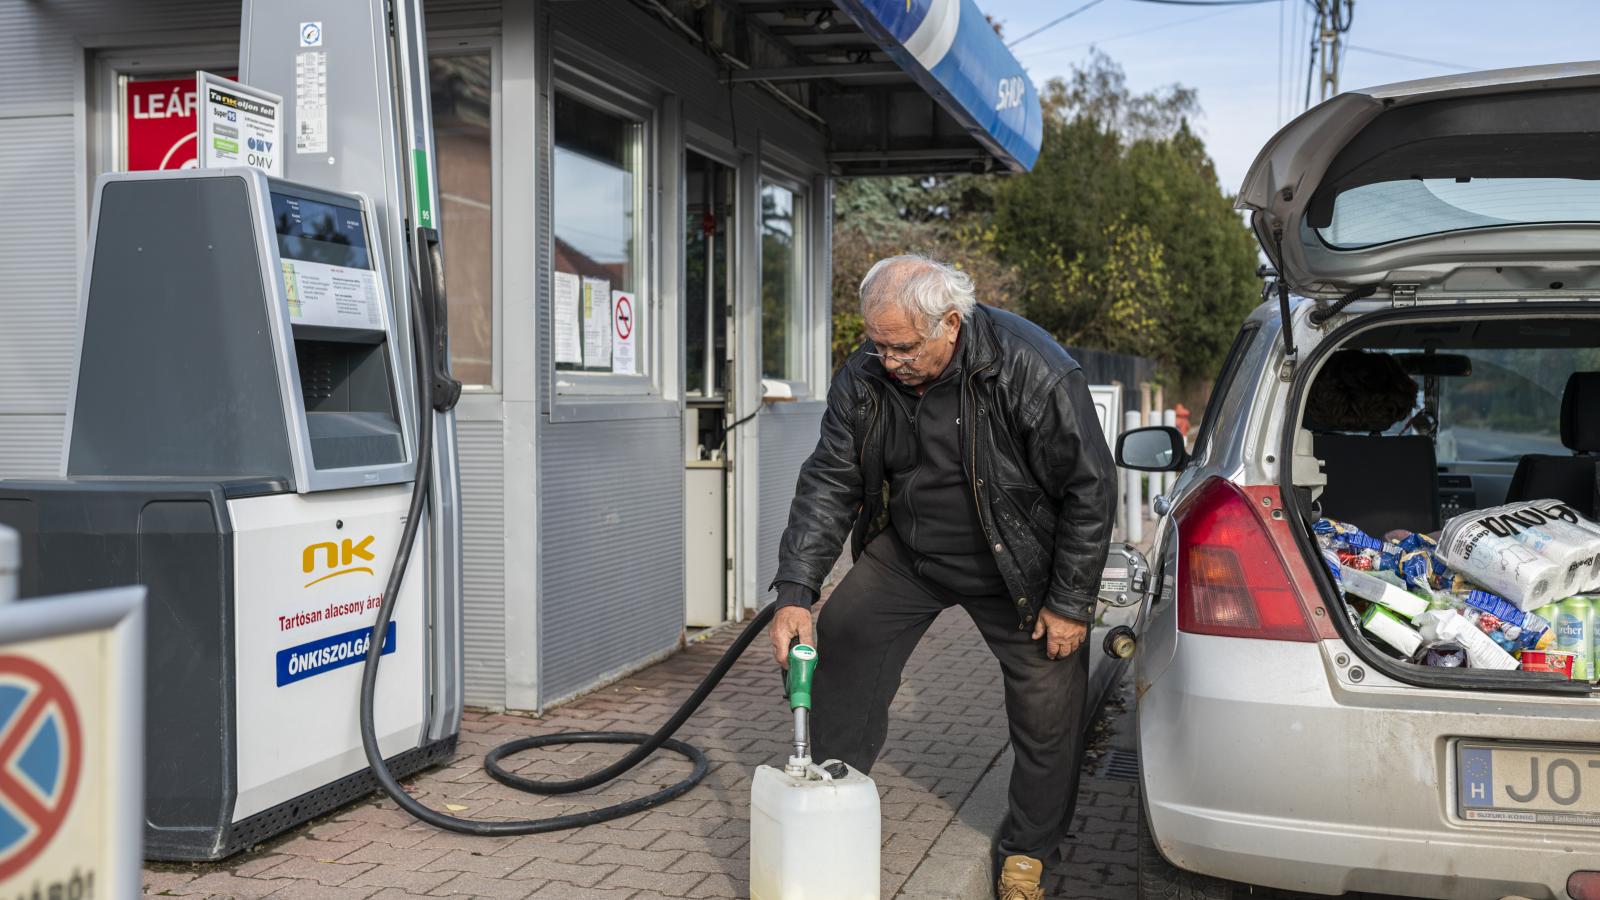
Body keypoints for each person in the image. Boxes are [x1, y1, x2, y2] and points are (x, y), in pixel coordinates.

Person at [768, 254, 1117, 900]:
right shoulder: (868, 371)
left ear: (950, 325)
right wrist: (796, 591)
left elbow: (1090, 489)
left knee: (1048, 705)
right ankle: (838, 799)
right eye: (877, 344)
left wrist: (1070, 601)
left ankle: (1029, 852)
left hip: (1021, 567)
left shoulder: (1029, 367)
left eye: (901, 347)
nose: (887, 360)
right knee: (842, 635)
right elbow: (830, 480)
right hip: (913, 554)